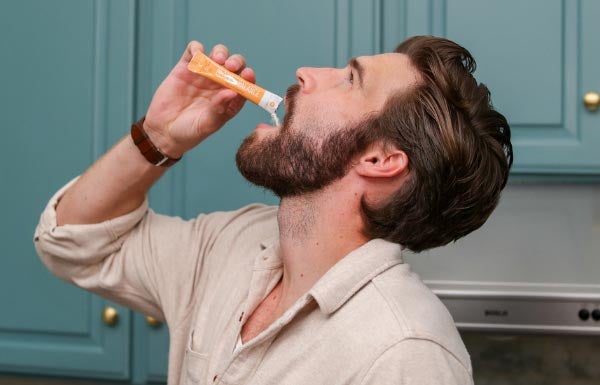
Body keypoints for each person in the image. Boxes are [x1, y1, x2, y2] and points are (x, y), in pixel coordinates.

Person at [35, 35, 512, 384]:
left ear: (379, 160)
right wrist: (158, 138)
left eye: (350, 79)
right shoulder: (232, 243)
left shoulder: (406, 355)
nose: (307, 72)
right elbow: (75, 242)